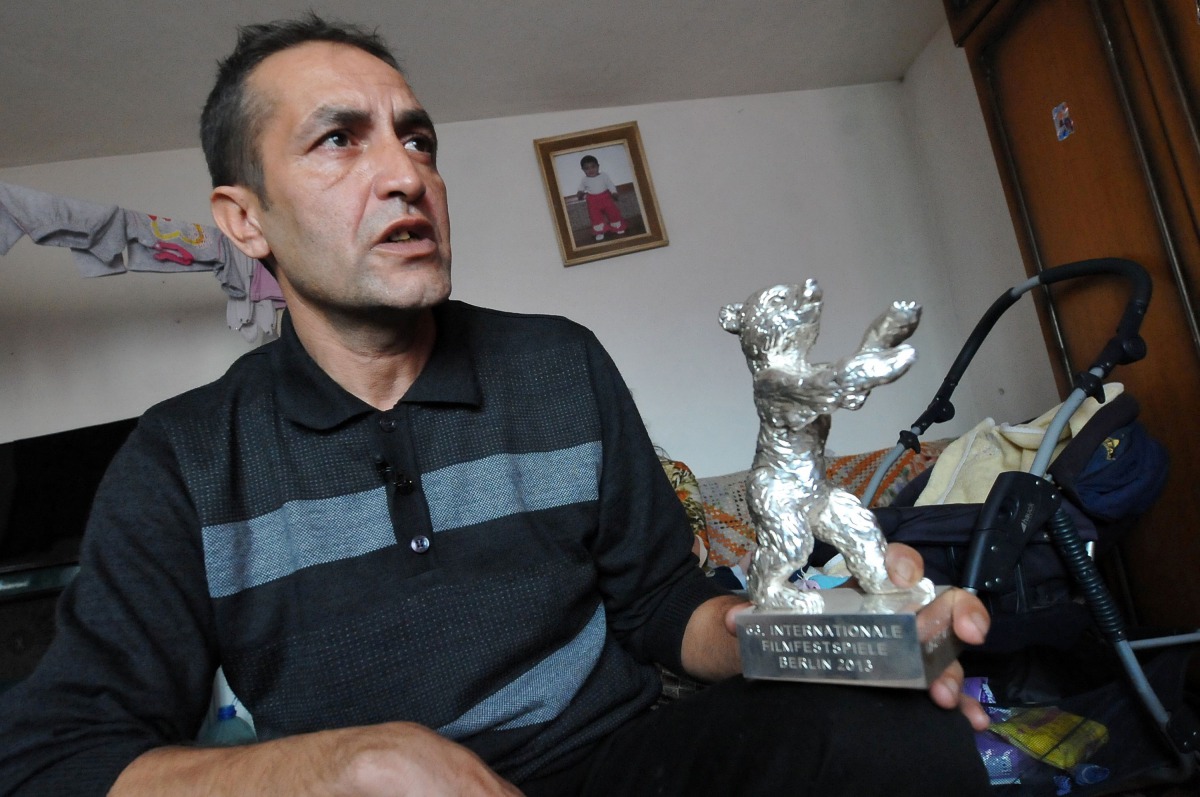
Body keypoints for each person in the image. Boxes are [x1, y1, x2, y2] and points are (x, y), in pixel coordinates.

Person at [0, 14, 993, 796]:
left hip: (624, 762)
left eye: (418, 139)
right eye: (339, 141)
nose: (408, 176)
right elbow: (54, 760)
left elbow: (661, 608)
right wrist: (342, 768)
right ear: (244, 218)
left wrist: (830, 634)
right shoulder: (182, 461)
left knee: (899, 725)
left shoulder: (558, 366)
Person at [575, 154, 627, 241]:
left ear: (598, 166)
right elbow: (581, 188)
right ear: (583, 170)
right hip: (592, 200)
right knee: (595, 216)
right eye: (587, 168)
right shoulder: (584, 180)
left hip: (605, 197)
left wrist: (614, 192)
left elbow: (610, 184)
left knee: (612, 212)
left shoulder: (604, 175)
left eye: (593, 167)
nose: (590, 170)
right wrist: (580, 193)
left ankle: (617, 226)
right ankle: (599, 231)